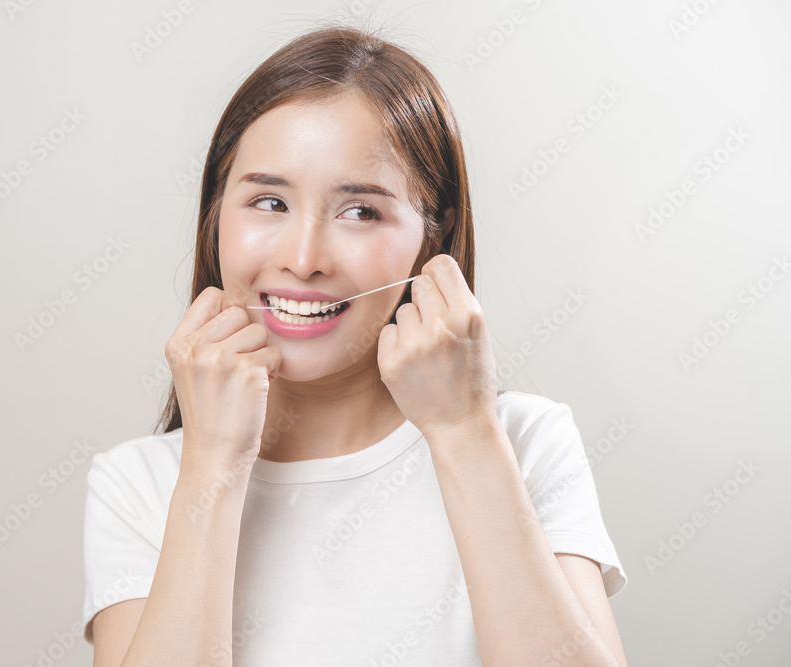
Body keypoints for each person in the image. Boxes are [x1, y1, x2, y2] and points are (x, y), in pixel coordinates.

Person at [82, 23, 629, 667]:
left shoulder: (523, 441)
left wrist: (463, 430)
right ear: (215, 216)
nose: (304, 259)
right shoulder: (137, 485)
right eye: (267, 201)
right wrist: (215, 464)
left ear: (434, 235)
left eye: (360, 212)